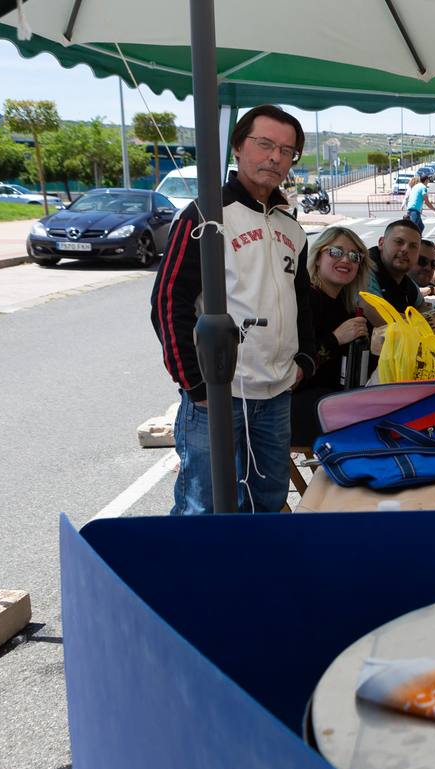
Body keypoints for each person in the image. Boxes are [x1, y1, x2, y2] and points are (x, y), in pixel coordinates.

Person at [150, 104, 314, 515]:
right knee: (202, 508)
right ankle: (193, 581)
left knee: (268, 503)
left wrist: (304, 361)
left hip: (276, 395)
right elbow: (169, 301)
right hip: (219, 396)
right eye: (264, 145)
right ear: (238, 148)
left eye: (286, 150)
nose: (275, 157)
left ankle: (259, 580)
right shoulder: (206, 215)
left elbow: (302, 302)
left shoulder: (291, 227)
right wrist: (196, 384)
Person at [291, 226, 371, 445]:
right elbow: (296, 373)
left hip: (337, 400)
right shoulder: (305, 300)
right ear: (317, 258)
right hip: (301, 405)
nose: (346, 260)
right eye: (335, 252)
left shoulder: (346, 305)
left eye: (355, 256)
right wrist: (336, 338)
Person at [366, 218, 422, 314]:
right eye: (399, 242)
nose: (405, 249)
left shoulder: (407, 282)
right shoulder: (365, 271)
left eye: (413, 246)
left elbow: (423, 306)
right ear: (381, 243)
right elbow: (383, 319)